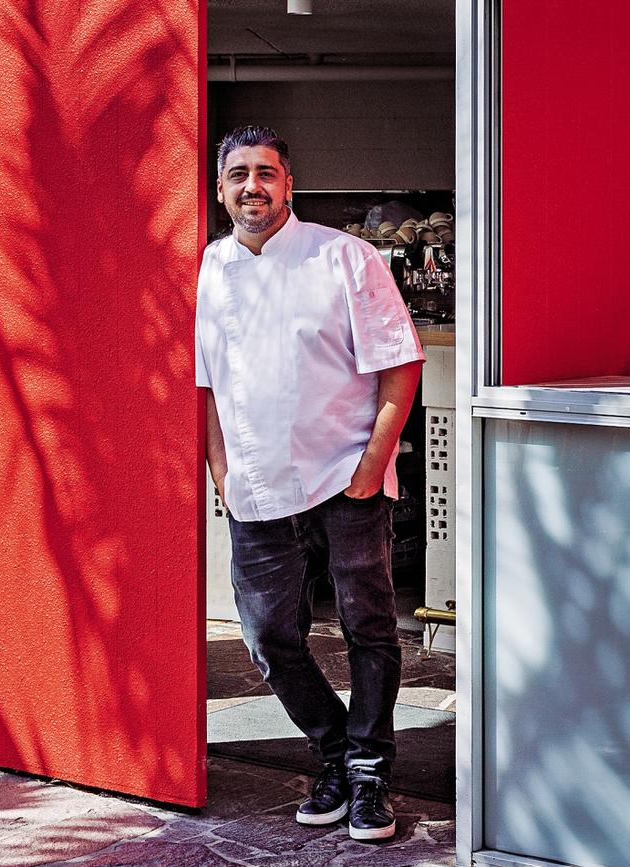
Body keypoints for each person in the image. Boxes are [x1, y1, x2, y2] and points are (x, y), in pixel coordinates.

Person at [195, 126, 425, 841]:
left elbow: (400, 364)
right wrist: (223, 473)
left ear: (289, 184)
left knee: (369, 626)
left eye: (267, 172)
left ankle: (367, 772)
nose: (253, 186)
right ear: (221, 187)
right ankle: (336, 749)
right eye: (239, 174)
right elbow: (209, 384)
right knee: (268, 636)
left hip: (343, 478)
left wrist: (370, 467)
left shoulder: (344, 256)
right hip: (258, 485)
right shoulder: (212, 266)